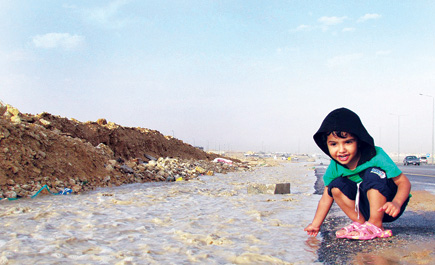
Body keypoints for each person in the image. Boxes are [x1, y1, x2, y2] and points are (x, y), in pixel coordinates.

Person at [304, 108, 411, 240]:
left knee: (372, 174)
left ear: (358, 141)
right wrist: (315, 224)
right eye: (334, 144)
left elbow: (403, 182)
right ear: (326, 145)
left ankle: (375, 224)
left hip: (389, 206)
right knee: (334, 186)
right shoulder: (335, 165)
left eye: (348, 142)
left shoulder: (376, 155)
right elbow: (326, 198)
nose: (341, 150)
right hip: (363, 208)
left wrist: (396, 203)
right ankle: (361, 224)